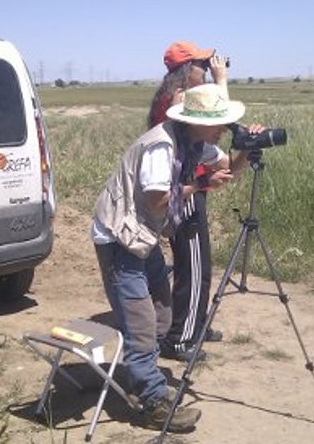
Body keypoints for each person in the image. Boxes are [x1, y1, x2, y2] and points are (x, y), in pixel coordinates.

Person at [91, 83, 263, 431]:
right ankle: (152, 402)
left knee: (162, 312)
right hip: (119, 236)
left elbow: (230, 168)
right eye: (218, 123)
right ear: (195, 121)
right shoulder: (161, 146)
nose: (222, 129)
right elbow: (156, 201)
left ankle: (145, 374)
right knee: (140, 322)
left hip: (142, 235)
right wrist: (201, 185)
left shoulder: (196, 142)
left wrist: (245, 146)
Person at [148, 41, 230, 362]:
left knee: (194, 263)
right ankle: (181, 338)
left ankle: (194, 324)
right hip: (185, 188)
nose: (207, 70)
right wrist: (221, 80)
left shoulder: (174, 94)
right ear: (187, 69)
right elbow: (216, 114)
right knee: (194, 266)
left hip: (190, 185)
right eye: (202, 65)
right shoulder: (178, 100)